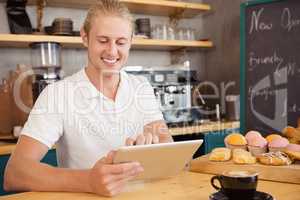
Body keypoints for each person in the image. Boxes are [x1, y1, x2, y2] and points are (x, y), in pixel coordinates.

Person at [4, 0, 173, 197]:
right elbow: (15, 173)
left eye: (120, 42)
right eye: (103, 40)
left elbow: (171, 152)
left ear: (131, 41)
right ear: (85, 37)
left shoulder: (141, 87)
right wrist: (89, 181)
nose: (112, 51)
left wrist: (154, 149)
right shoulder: (58, 94)